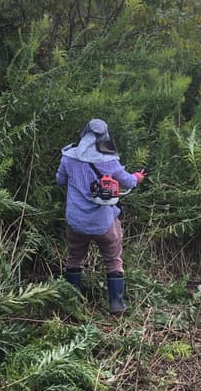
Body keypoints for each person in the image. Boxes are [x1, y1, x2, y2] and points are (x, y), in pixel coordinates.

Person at [56, 118, 146, 314]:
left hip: (76, 222)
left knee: (74, 259)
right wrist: (138, 177)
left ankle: (72, 304)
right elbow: (128, 182)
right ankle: (117, 305)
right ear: (104, 137)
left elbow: (60, 179)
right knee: (113, 260)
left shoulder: (68, 157)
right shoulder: (110, 161)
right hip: (104, 223)